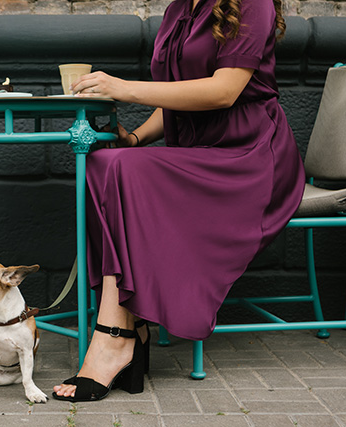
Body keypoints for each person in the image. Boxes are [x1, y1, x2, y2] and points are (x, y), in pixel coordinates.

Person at [52, 0, 305, 402]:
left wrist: (123, 88)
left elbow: (224, 92)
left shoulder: (250, 3)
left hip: (250, 158)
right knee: (103, 162)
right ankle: (128, 327)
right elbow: (173, 98)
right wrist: (135, 138)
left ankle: (116, 338)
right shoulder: (178, 10)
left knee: (124, 170)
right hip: (199, 153)